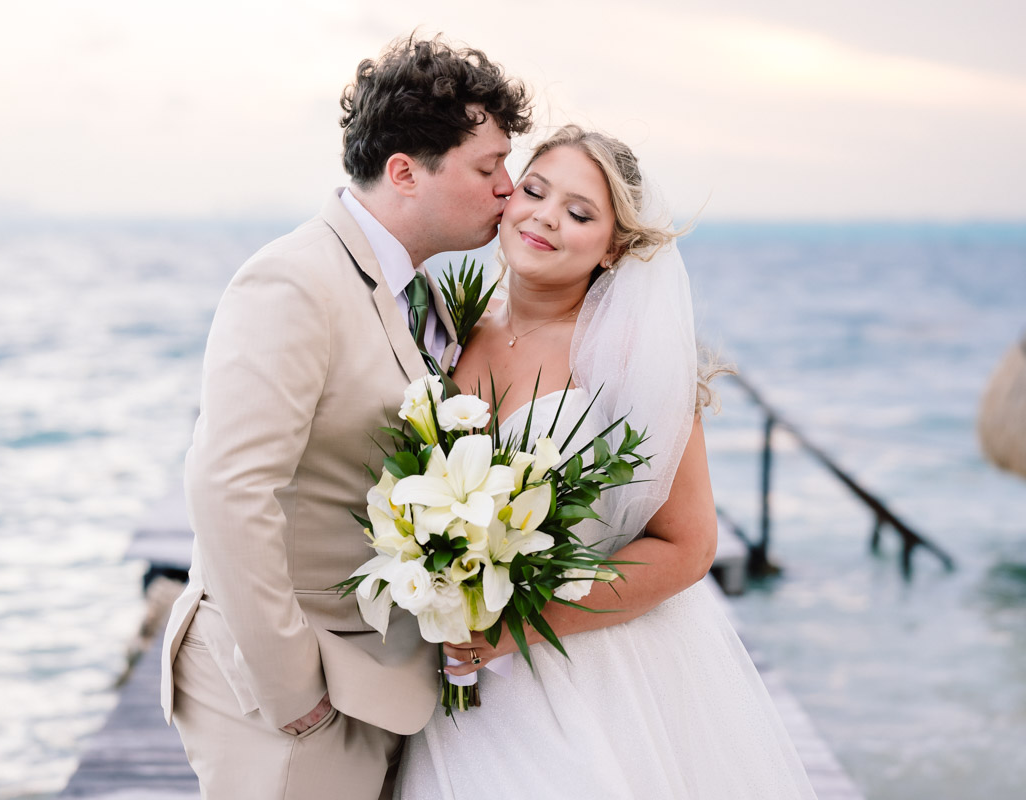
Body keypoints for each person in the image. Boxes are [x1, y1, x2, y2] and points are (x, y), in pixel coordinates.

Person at [156, 36, 532, 799]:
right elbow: (229, 489)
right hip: (288, 695)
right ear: (405, 172)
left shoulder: (417, 292)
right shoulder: (294, 282)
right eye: (488, 168)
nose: (509, 190)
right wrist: (294, 695)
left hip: (377, 683)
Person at [394, 126, 818, 799]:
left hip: (582, 670)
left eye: (580, 212)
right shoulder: (450, 333)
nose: (545, 217)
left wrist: (514, 627)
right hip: (450, 682)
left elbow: (689, 544)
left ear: (615, 246)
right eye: (534, 191)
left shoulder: (629, 361)